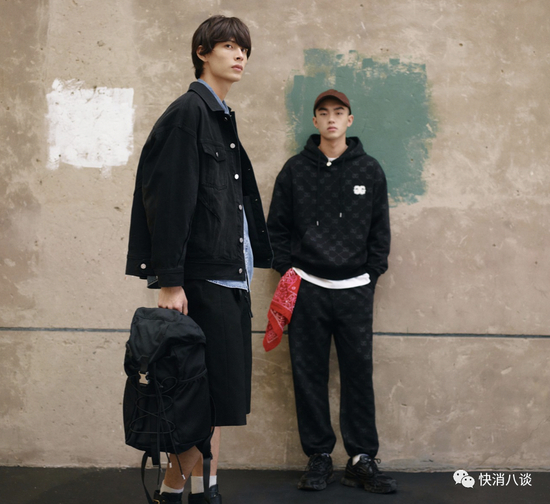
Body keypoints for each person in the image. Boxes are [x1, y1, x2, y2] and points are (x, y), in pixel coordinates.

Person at [125, 15, 272, 504]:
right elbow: (168, 200)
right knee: (198, 401)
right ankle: (172, 491)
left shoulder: (220, 116)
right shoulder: (188, 113)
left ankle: (207, 489)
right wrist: (170, 281)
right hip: (203, 281)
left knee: (218, 400)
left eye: (244, 48)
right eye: (228, 46)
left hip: (230, 279)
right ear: (202, 53)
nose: (239, 55)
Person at [266, 90, 397, 494]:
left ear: (349, 120)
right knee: (308, 373)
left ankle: (361, 459)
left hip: (355, 290)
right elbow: (276, 229)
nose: (331, 119)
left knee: (358, 373)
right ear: (315, 121)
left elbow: (380, 231)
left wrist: (370, 275)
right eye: (323, 113)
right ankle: (319, 456)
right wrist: (290, 272)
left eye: (338, 112)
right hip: (307, 288)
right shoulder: (295, 170)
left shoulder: (369, 170)